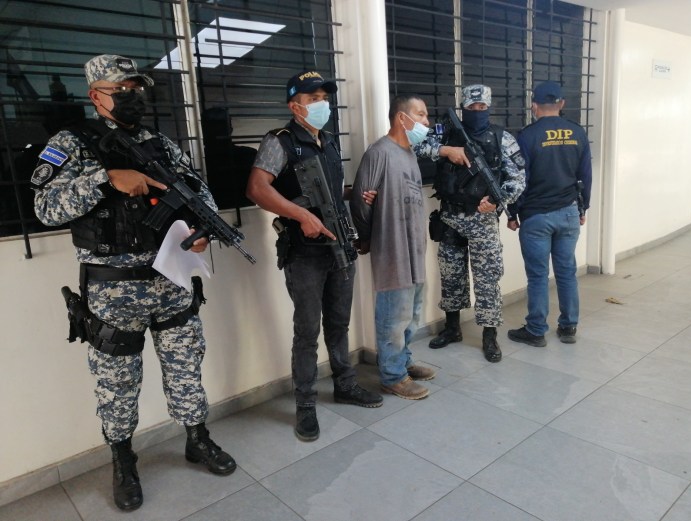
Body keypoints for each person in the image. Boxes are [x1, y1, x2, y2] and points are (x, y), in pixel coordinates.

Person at [33, 55, 236, 512]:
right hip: (113, 291)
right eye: (121, 88)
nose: (132, 96)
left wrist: (203, 230)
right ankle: (123, 461)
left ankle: (196, 438)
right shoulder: (71, 144)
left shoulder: (160, 143)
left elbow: (199, 193)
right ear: (96, 95)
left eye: (137, 88)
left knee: (186, 368)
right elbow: (45, 208)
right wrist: (104, 178)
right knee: (117, 382)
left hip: (173, 279)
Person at [246, 71, 383, 442]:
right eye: (313, 98)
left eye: (324, 96)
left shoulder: (329, 142)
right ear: (295, 106)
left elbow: (330, 194)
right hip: (304, 254)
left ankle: (345, 384)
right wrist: (300, 215)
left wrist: (355, 195)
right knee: (307, 331)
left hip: (340, 246)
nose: (323, 103)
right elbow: (257, 189)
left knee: (339, 323)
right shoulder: (280, 141)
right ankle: (305, 404)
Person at [423, 84, 526, 363]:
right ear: (463, 108)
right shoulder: (445, 132)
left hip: (482, 218)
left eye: (482, 108)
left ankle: (489, 335)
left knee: (487, 278)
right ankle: (452, 328)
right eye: (471, 108)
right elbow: (418, 145)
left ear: (488, 107)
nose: (477, 112)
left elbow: (518, 178)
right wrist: (446, 150)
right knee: (450, 273)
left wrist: (497, 200)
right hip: (450, 216)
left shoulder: (502, 138)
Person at [350, 94, 437, 400]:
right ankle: (391, 376)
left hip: (414, 250)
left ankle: (403, 360)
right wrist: (367, 238)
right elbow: (361, 203)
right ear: (402, 118)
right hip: (392, 251)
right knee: (393, 315)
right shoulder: (380, 152)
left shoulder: (409, 153)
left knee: (411, 314)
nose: (426, 122)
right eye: (421, 115)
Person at [507, 81, 592, 346]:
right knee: (567, 272)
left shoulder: (527, 136)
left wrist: (512, 212)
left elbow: (519, 177)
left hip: (536, 216)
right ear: (562, 104)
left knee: (538, 275)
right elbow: (585, 176)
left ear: (534, 106)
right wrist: (582, 208)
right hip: (568, 212)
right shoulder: (578, 133)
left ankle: (536, 330)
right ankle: (568, 328)